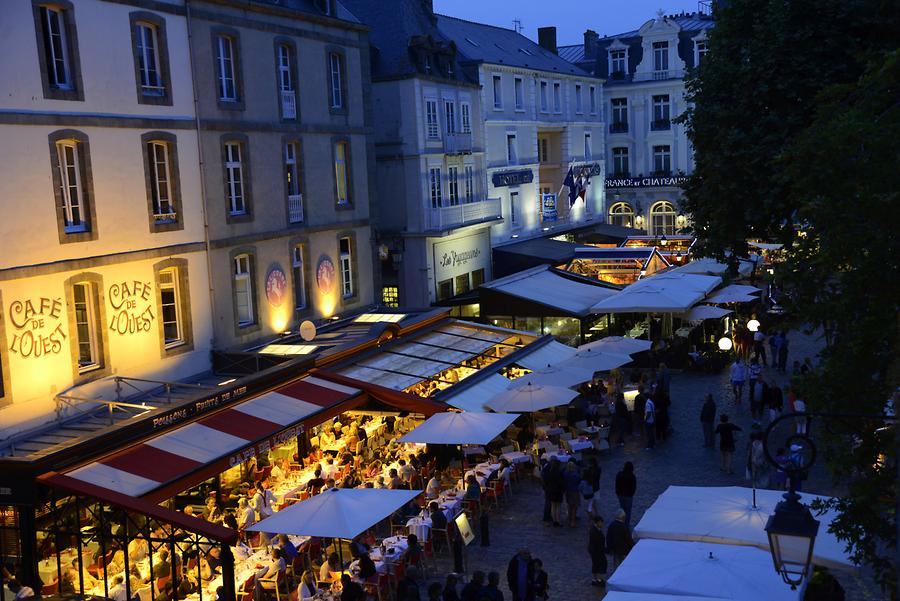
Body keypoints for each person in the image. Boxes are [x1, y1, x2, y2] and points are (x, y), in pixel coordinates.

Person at [588, 516, 608, 587]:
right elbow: (598, 543)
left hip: (595, 551)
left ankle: (595, 579)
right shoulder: (595, 531)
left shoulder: (594, 529)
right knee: (601, 564)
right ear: (598, 522)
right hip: (597, 551)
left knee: (596, 564)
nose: (602, 524)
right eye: (601, 522)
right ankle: (599, 580)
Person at [615, 462, 636, 527]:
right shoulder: (632, 476)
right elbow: (634, 487)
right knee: (628, 511)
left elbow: (617, 484)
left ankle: (621, 522)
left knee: (622, 508)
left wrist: (617, 492)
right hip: (628, 496)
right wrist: (631, 494)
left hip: (620, 495)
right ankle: (626, 524)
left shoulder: (619, 474)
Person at [546, 460, 564, 527]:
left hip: (551, 491)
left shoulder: (549, 472)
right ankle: (558, 521)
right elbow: (561, 483)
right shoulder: (559, 473)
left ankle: (554, 520)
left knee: (553, 506)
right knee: (558, 506)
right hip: (558, 491)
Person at [562, 461, 581, 527]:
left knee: (569, 506)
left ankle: (569, 519)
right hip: (575, 491)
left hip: (568, 491)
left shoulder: (565, 474)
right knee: (574, 507)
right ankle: (573, 521)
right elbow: (579, 481)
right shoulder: (576, 475)